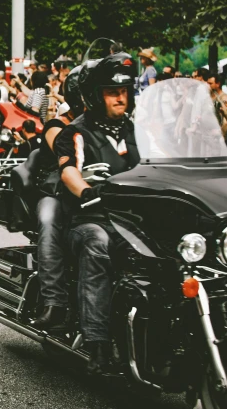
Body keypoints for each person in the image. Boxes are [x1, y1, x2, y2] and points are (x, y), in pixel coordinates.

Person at [53, 53, 139, 373]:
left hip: (134, 220)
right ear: (94, 95)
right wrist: (87, 192)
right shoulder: (76, 132)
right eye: (111, 91)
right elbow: (68, 171)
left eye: (125, 91)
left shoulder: (137, 130)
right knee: (98, 243)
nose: (121, 97)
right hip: (89, 219)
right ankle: (97, 342)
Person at [29, 66, 84, 332]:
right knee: (49, 219)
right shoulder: (56, 125)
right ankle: (54, 302)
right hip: (55, 192)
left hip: (91, 193)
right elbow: (65, 148)